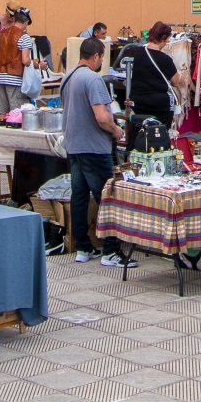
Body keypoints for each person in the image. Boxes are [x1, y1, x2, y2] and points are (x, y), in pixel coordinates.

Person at [63, 37, 133, 269]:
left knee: (80, 197)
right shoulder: (93, 79)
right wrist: (116, 131)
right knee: (107, 197)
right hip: (94, 147)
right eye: (102, 57)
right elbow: (102, 117)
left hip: (74, 145)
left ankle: (83, 246)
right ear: (96, 57)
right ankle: (111, 251)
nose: (102, 61)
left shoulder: (69, 76)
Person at [128, 22, 185, 130]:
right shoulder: (165, 59)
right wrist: (183, 73)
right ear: (164, 38)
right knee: (159, 138)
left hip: (138, 102)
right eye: (168, 38)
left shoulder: (138, 53)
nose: (168, 41)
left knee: (140, 134)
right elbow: (176, 82)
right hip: (159, 106)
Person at [0, 4, 37, 118]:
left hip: (1, 77)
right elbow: (25, 60)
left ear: (15, 19)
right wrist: (35, 63)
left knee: (2, 111)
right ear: (26, 22)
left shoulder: (2, 34)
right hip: (15, 79)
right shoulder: (24, 37)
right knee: (16, 113)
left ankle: (1, 133)